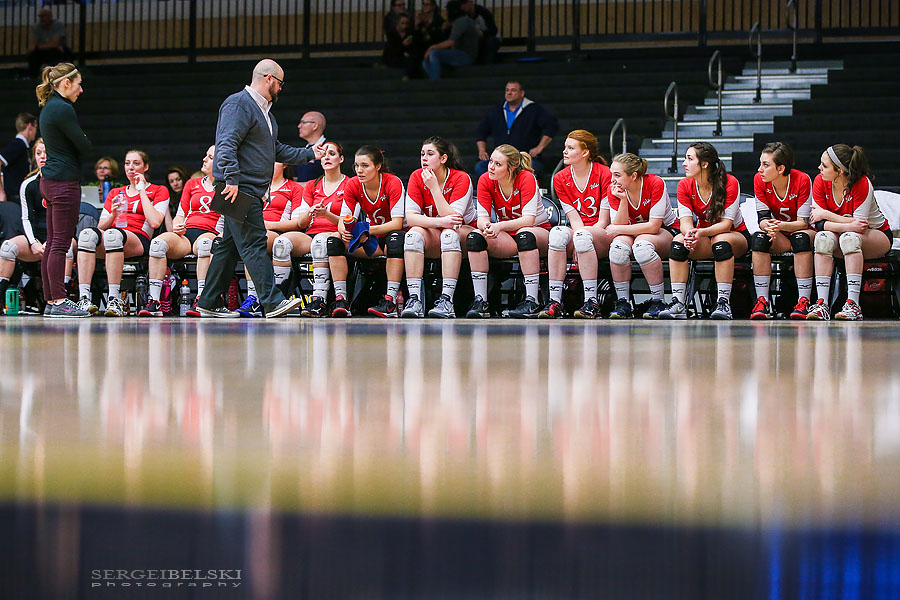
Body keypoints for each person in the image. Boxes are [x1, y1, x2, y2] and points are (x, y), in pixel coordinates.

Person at [197, 59, 322, 318]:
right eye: (280, 83)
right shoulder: (239, 104)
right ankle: (272, 301)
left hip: (245, 188)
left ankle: (208, 301)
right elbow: (226, 143)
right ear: (269, 79)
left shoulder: (266, 114)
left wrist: (310, 154)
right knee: (254, 242)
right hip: (238, 187)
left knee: (229, 247)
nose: (281, 89)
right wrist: (231, 178)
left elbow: (275, 150)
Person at [658, 142, 749, 320]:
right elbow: (685, 222)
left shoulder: (730, 182)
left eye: (689, 159)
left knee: (720, 241)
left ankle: (723, 303)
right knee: (678, 242)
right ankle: (678, 303)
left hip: (735, 236)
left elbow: (726, 225)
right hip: (705, 236)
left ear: (705, 164)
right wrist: (690, 234)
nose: (684, 163)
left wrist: (699, 233)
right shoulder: (684, 185)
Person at [75, 150, 169, 317]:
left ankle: (114, 299)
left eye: (136, 163)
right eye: (127, 163)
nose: (130, 167)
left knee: (113, 236)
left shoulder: (159, 190)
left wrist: (141, 190)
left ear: (146, 167)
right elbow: (101, 226)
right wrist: (112, 214)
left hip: (138, 237)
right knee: (86, 236)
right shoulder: (115, 192)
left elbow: (155, 222)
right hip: (113, 236)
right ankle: (84, 298)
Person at [806, 144, 892, 321]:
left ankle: (853, 305)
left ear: (840, 171)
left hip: (876, 235)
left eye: (824, 165)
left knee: (849, 239)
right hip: (843, 233)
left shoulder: (862, 183)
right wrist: (845, 224)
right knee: (822, 238)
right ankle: (822, 304)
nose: (819, 168)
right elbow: (819, 224)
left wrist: (827, 215)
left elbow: (860, 225)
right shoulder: (820, 181)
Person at [465, 143, 550, 318]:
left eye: (498, 164)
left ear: (512, 167)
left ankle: (532, 300)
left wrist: (499, 226)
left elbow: (528, 220)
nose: (491, 167)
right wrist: (487, 227)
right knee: (475, 237)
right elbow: (482, 218)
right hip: (509, 234)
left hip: (537, 231)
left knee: (524, 235)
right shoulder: (485, 179)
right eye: (491, 161)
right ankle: (481, 301)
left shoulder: (526, 178)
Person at [139, 146, 223, 317]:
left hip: (210, 233)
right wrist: (178, 225)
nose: (204, 159)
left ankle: (202, 299)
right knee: (157, 244)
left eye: (210, 157)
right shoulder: (192, 184)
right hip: (186, 234)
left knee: (205, 244)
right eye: (205, 155)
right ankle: (154, 301)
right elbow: (180, 214)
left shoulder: (229, 186)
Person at [36, 62, 92, 318]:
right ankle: (59, 300)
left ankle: (51, 300)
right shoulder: (63, 108)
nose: (81, 90)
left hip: (50, 181)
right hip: (64, 182)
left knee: (52, 244)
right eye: (79, 84)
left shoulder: (49, 107)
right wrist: (85, 142)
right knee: (60, 243)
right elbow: (83, 145)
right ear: (66, 83)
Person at [400, 136, 476, 318]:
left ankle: (446, 301)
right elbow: (411, 218)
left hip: (466, 233)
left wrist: (434, 188)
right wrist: (440, 222)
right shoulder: (416, 176)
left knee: (449, 234)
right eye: (422, 154)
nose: (424, 158)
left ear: (443, 158)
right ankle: (415, 300)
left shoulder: (461, 178)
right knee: (413, 235)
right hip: (438, 230)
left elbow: (454, 219)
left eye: (430, 154)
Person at [540, 130, 612, 319]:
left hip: (603, 234)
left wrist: (582, 237)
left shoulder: (605, 173)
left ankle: (591, 302)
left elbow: (604, 220)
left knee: (582, 236)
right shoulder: (560, 178)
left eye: (571, 148)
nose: (564, 151)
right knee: (556, 234)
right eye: (565, 147)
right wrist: (580, 238)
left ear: (585, 152)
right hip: (580, 232)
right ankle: (555, 301)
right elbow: (574, 219)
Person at [327, 145, 405, 318]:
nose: (359, 170)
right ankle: (341, 299)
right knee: (334, 239)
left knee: (395, 239)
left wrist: (367, 230)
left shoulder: (393, 182)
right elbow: (343, 219)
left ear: (378, 167)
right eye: (356, 165)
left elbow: (397, 223)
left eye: (365, 166)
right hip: (371, 241)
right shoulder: (353, 184)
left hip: (390, 239)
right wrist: (344, 230)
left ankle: (390, 301)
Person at [271, 141, 347, 318]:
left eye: (332, 154)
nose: (326, 158)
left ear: (341, 159)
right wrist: (310, 212)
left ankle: (319, 300)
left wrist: (327, 214)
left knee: (320, 243)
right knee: (281, 243)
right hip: (311, 233)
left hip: (336, 233)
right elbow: (301, 222)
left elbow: (348, 221)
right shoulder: (312, 185)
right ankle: (278, 300)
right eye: (324, 154)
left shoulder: (349, 184)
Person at [603, 152, 679, 319]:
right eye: (611, 174)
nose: (612, 180)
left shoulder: (655, 183)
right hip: (632, 231)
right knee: (618, 248)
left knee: (642, 246)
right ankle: (623, 303)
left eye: (617, 175)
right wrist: (623, 201)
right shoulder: (613, 189)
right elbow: (620, 225)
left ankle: (658, 301)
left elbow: (653, 226)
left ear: (634, 176)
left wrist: (618, 229)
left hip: (666, 231)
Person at [748, 142, 815, 320]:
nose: (760, 169)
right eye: (760, 164)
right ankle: (762, 301)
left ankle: (803, 301)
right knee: (759, 238)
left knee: (800, 239)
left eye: (765, 165)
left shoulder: (802, 179)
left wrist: (780, 226)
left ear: (781, 168)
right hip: (780, 234)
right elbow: (762, 218)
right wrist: (768, 226)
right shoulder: (759, 180)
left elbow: (803, 223)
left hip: (804, 231)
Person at [235, 161, 304, 317]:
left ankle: (257, 299)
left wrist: (270, 225)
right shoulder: (253, 186)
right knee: (218, 243)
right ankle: (215, 299)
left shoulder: (294, 188)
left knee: (253, 241)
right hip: (253, 231)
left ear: (285, 164)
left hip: (277, 231)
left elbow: (297, 223)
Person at [0, 139, 55, 305]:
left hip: (59, 237)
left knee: (65, 250)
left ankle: (57, 301)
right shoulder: (28, 184)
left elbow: (68, 219)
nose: (42, 156)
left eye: (46, 153)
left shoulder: (63, 183)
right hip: (35, 238)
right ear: (34, 157)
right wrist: (33, 242)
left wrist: (53, 241)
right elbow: (26, 218)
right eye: (38, 153)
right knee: (7, 247)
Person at [475, 81, 558, 182]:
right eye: (507, 90)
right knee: (480, 167)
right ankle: (497, 188)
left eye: (513, 90)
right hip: (500, 159)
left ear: (522, 93)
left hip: (524, 159)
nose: (509, 93)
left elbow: (551, 127)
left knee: (532, 168)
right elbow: (481, 131)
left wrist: (540, 147)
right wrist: (482, 150)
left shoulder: (534, 109)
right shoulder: (496, 110)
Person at [422, 0, 479, 80]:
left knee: (434, 53)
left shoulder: (461, 22)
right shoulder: (463, 21)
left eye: (447, 11)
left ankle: (435, 81)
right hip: (461, 54)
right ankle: (434, 78)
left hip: (465, 56)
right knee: (425, 61)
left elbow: (451, 42)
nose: (446, 13)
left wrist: (432, 47)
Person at [0, 113, 38, 204]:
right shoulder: (17, 144)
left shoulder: (22, 146)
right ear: (30, 126)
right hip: (15, 198)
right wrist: (1, 192)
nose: (36, 132)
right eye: (36, 127)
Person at [26, 8, 72, 78]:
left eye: (44, 16)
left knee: (65, 53)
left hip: (57, 50)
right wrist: (38, 47)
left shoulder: (58, 25)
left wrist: (39, 46)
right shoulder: (36, 27)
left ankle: (65, 75)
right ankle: (33, 76)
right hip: (45, 50)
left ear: (50, 17)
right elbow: (32, 45)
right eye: (41, 16)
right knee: (33, 55)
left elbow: (55, 43)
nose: (42, 19)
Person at [382, 13, 420, 80]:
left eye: (407, 23)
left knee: (413, 59)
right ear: (398, 23)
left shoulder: (409, 33)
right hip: (393, 58)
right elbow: (392, 50)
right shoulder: (392, 34)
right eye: (402, 23)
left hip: (404, 58)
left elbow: (412, 48)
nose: (405, 26)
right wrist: (403, 45)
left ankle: (407, 76)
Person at [295, 111, 327, 184]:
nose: (299, 126)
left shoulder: (328, 148)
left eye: (303, 122)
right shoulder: (304, 149)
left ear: (315, 126)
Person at [162, 165, 190, 233]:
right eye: (171, 181)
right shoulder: (168, 200)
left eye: (178, 179)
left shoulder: (192, 197)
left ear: (184, 179)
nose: (175, 184)